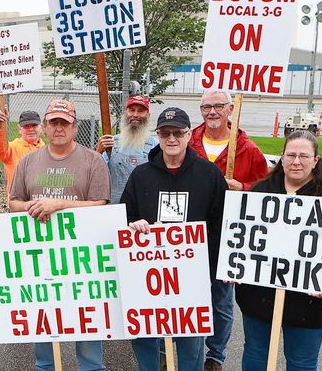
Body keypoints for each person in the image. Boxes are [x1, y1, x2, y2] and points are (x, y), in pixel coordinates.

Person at [234, 130, 322, 371]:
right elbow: (240, 237)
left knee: (302, 362)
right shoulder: (259, 192)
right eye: (291, 155)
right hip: (259, 298)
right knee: (255, 355)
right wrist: (233, 263)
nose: (296, 161)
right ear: (281, 157)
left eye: (304, 156)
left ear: (316, 160)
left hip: (311, 304)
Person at [118, 108, 227, 371]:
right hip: (148, 274)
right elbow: (124, 216)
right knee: (146, 339)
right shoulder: (141, 175)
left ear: (189, 134)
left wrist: (214, 268)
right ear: (158, 136)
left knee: (191, 344)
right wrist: (134, 226)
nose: (172, 138)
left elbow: (221, 223)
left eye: (178, 132)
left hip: (193, 277)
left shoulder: (209, 174)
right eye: (165, 133)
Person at [8, 99, 111, 371]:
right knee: (45, 326)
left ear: (75, 127)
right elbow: (13, 202)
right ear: (43, 127)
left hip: (82, 258)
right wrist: (34, 206)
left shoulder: (94, 160)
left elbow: (100, 204)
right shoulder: (28, 161)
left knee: (86, 323)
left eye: (64, 123)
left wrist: (58, 204)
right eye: (53, 122)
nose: (58, 128)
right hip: (41, 257)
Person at [187, 89, 268, 370]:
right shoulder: (188, 142)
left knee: (221, 301)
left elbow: (266, 193)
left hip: (228, 237)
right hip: (190, 235)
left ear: (231, 108)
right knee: (184, 294)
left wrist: (243, 188)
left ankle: (215, 355)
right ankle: (176, 349)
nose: (212, 112)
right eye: (206, 106)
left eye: (218, 106)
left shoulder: (248, 149)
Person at [96, 95, 158, 204]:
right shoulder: (111, 144)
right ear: (126, 113)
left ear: (148, 115)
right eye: (132, 110)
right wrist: (98, 152)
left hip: (144, 211)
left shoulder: (155, 146)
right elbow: (95, 175)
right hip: (115, 209)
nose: (135, 115)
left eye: (141, 111)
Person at [0, 107, 44, 194]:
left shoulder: (46, 149)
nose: (31, 129)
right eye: (26, 126)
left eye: (34, 125)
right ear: (19, 129)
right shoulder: (12, 149)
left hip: (40, 200)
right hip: (19, 201)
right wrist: (0, 125)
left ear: (41, 127)